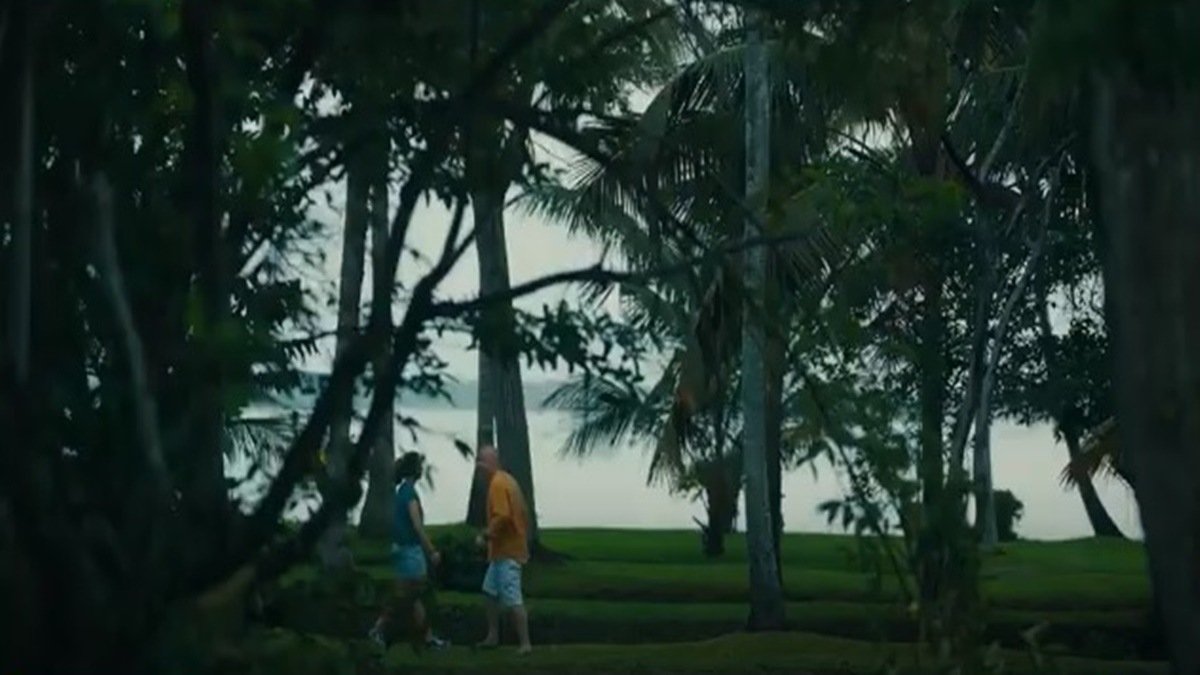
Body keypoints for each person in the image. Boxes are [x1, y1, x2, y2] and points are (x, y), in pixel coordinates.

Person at [368, 451, 449, 652]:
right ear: (415, 470)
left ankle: (427, 639)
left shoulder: (401, 492)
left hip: (400, 550)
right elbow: (417, 526)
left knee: (412, 597)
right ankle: (379, 629)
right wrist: (431, 551)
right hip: (410, 552)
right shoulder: (410, 494)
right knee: (412, 595)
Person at [473, 444, 533, 655]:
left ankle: (525, 643)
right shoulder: (507, 480)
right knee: (489, 592)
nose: (479, 467)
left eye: (481, 462)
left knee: (513, 599)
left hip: (508, 553)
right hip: (502, 552)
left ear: (490, 463)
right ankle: (493, 636)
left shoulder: (497, 484)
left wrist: (485, 535)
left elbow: (502, 515)